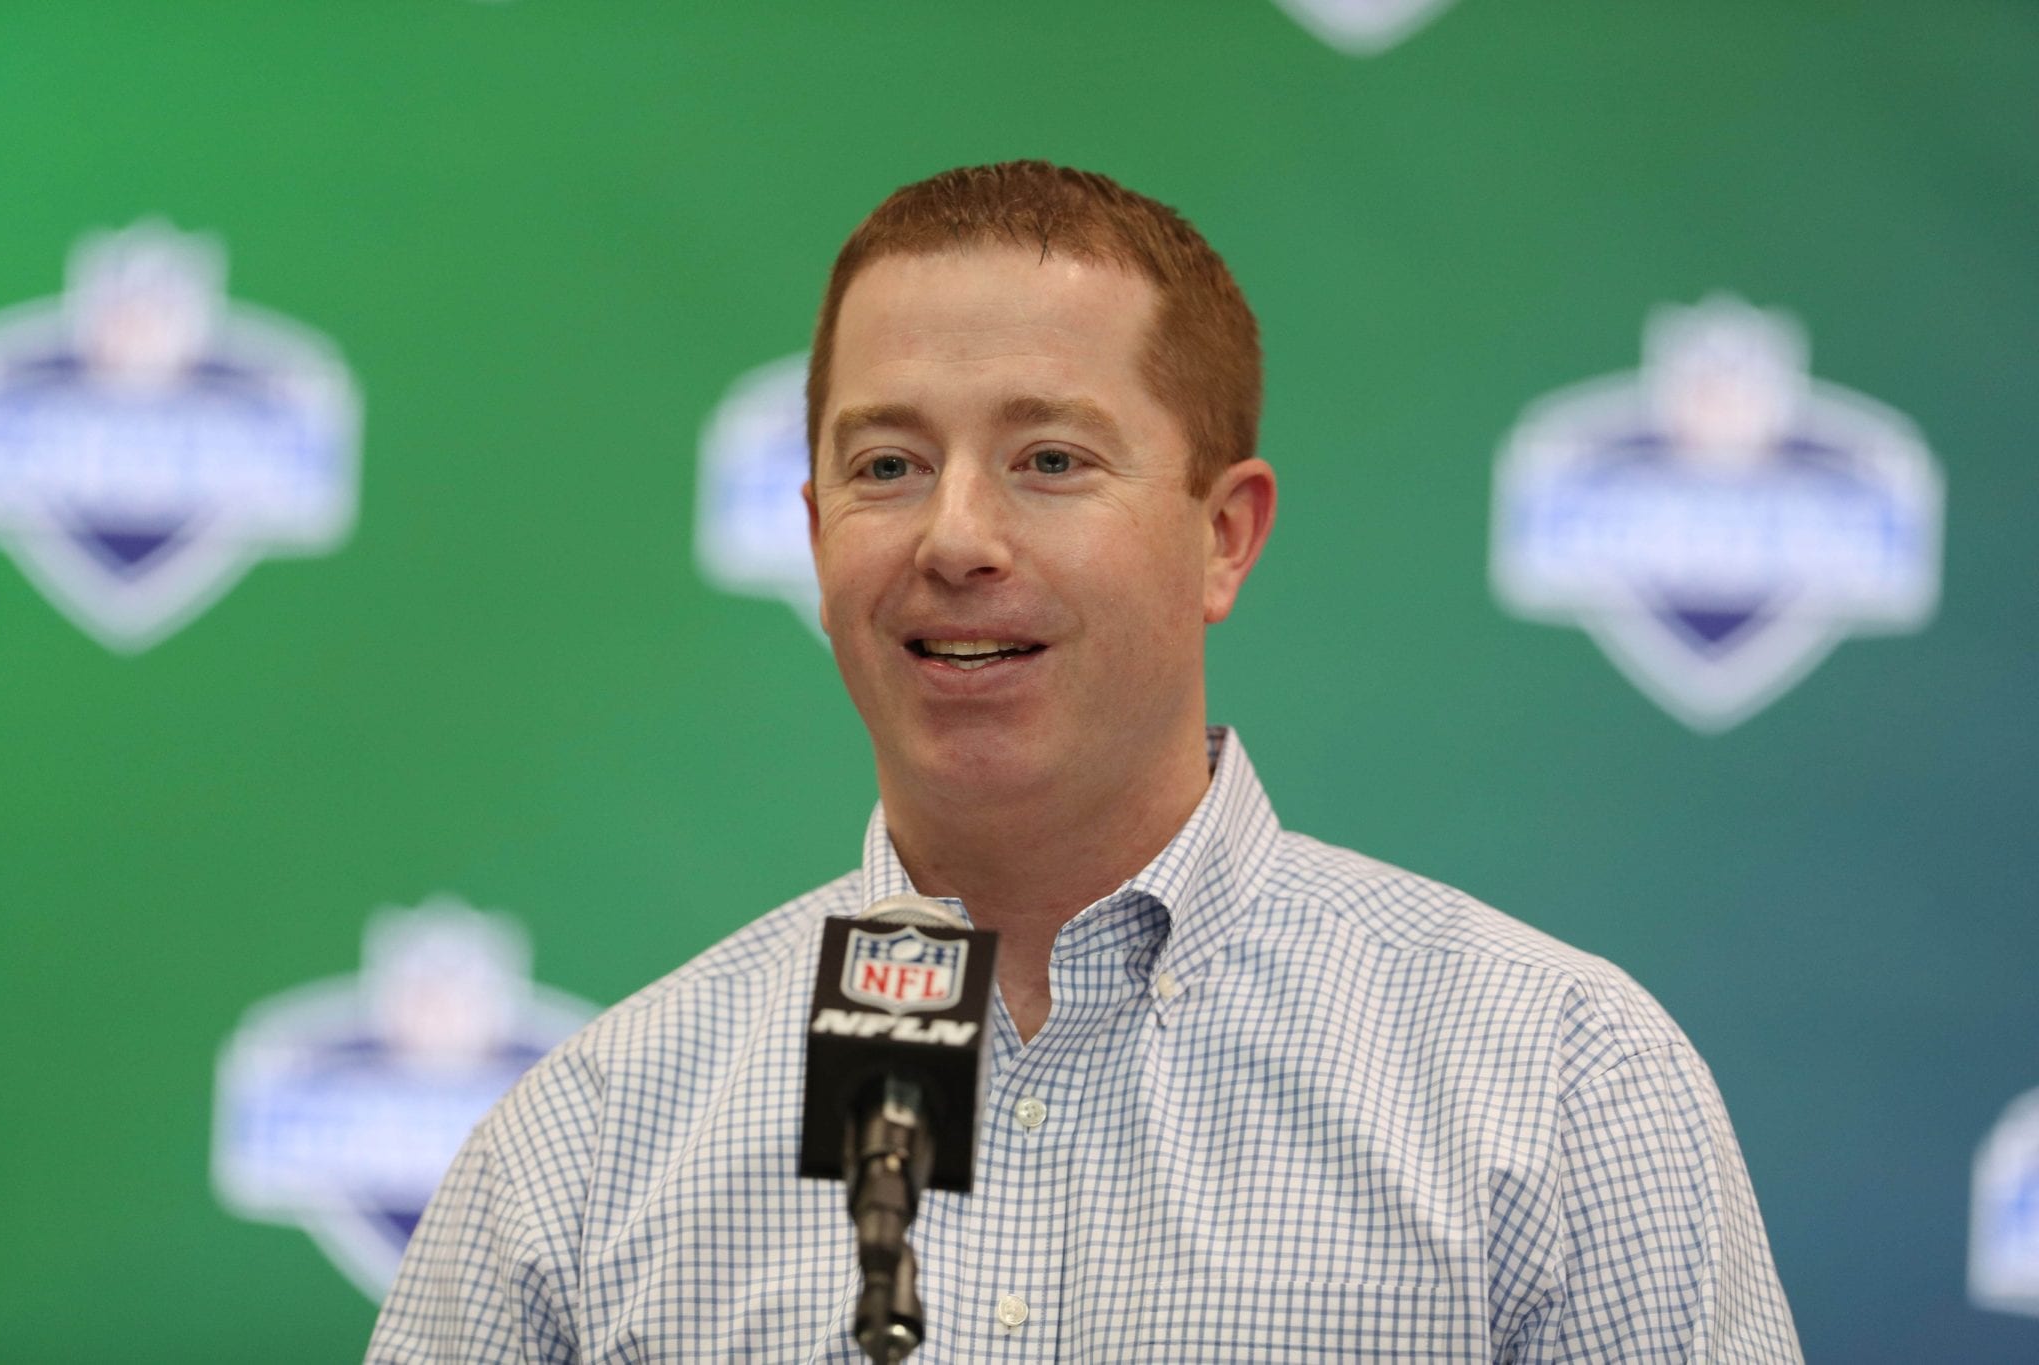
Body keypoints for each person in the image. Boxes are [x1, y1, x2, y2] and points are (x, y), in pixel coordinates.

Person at [369, 161, 1802, 1362]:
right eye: (887, 466)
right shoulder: (587, 1150)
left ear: (1223, 536)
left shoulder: (1557, 1089)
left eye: (1051, 460)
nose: (955, 538)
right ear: (815, 536)